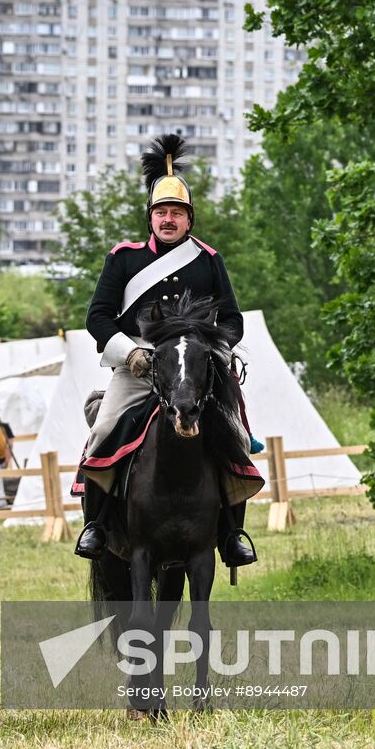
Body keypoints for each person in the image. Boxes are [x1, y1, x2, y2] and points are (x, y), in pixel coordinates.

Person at [73, 133, 259, 567]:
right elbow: (98, 317)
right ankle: (96, 524)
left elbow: (232, 320)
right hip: (138, 364)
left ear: (189, 220)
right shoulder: (124, 258)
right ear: (150, 218)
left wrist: (214, 350)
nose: (168, 219)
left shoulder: (208, 259)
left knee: (236, 436)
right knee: (103, 431)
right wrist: (129, 353)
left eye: (177, 212)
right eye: (161, 212)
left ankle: (232, 533)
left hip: (195, 367)